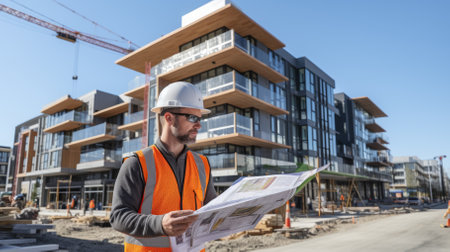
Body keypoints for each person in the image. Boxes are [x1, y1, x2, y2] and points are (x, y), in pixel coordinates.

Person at [110, 81, 217, 251]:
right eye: (192, 118)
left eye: (200, 118)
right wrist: (160, 224)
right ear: (169, 118)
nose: (198, 124)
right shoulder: (137, 163)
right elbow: (118, 216)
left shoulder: (202, 165)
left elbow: (213, 209)